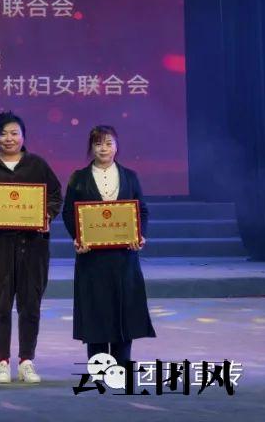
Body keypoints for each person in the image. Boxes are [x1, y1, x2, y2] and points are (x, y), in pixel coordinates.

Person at [0, 111, 63, 384]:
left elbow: (55, 195)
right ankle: (2, 362)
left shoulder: (37, 165)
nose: (8, 138)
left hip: (32, 246)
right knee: (0, 305)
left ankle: (26, 361)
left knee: (30, 305)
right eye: (3, 133)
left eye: (14, 133)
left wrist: (47, 215)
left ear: (23, 136)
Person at [64, 125, 155, 370]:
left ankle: (122, 365)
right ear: (91, 148)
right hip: (91, 258)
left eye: (108, 143)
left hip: (124, 257)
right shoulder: (78, 178)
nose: (103, 149)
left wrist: (140, 235)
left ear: (116, 146)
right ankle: (98, 366)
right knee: (95, 311)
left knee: (123, 311)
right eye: (98, 144)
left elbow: (142, 210)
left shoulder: (130, 176)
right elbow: (69, 213)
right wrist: (78, 238)